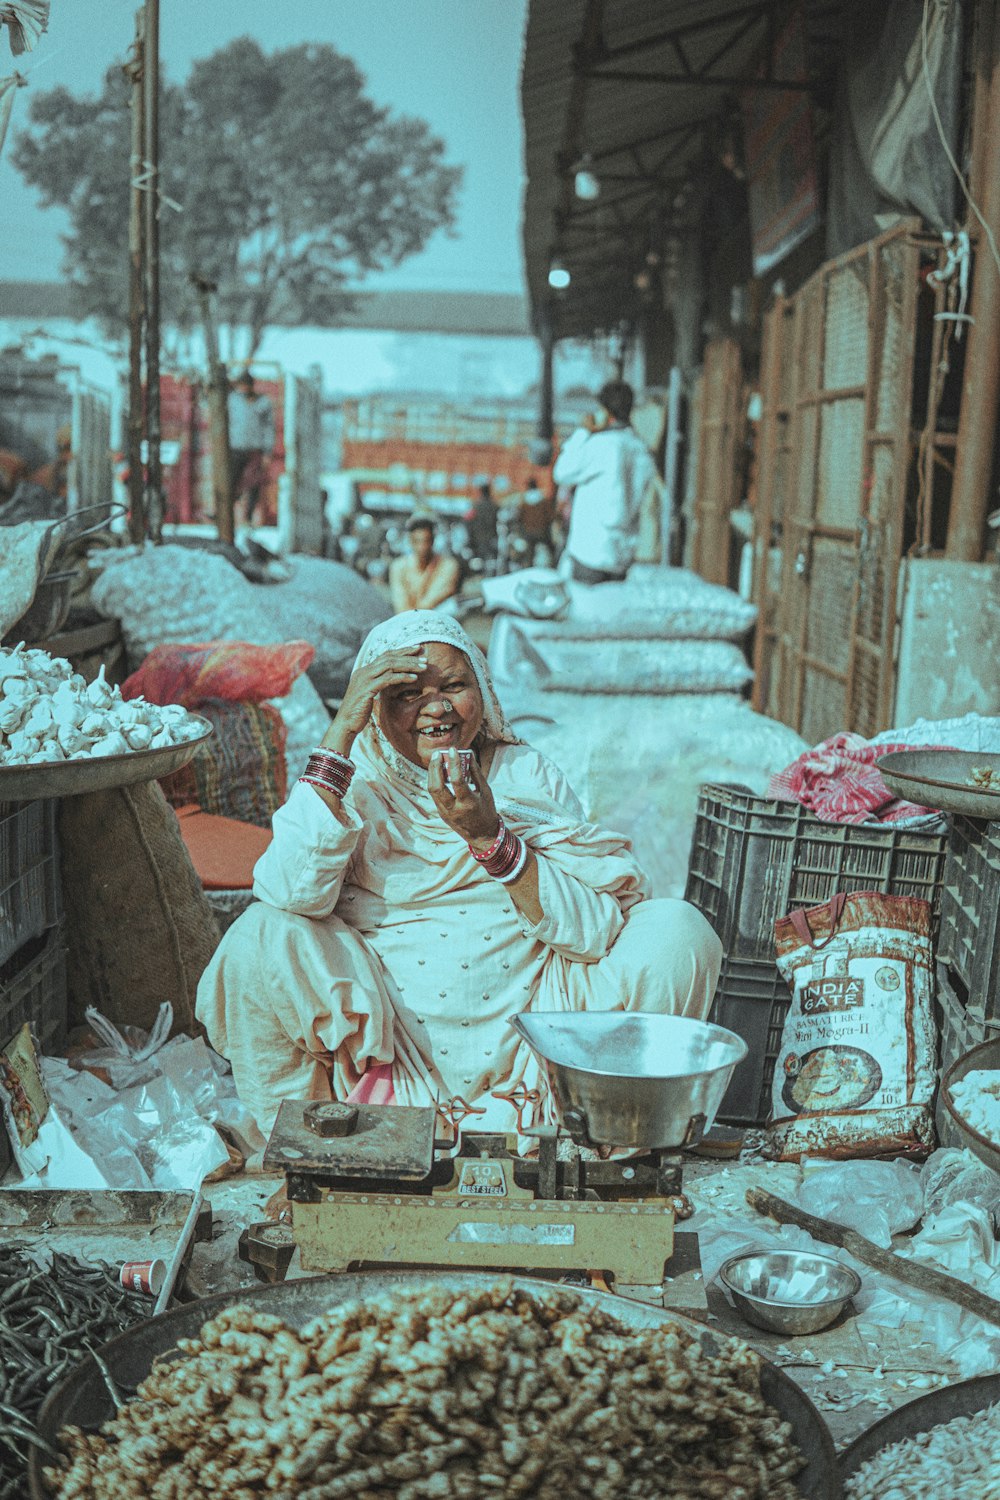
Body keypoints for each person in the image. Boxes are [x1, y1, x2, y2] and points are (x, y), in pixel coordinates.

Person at [196, 611, 724, 1143]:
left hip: (542, 1051)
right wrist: (340, 731)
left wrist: (490, 838)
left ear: (484, 691)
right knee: (258, 938)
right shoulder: (357, 786)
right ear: (373, 710)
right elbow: (288, 892)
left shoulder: (525, 774)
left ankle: (613, 1144)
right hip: (392, 1060)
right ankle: (309, 1151)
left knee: (678, 932)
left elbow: (593, 932)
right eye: (406, 694)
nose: (437, 708)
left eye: (454, 686)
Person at [552, 380, 657, 584]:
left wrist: (583, 431)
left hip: (590, 553)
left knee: (584, 612)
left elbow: (562, 472)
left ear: (606, 412)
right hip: (622, 555)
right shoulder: (642, 450)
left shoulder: (601, 446)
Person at [227, 370, 276, 526]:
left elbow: (269, 428)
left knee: (253, 484)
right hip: (236, 448)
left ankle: (247, 518)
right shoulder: (232, 400)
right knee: (232, 483)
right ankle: (226, 514)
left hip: (255, 450)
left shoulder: (262, 403)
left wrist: (268, 451)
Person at [388, 514, 460, 613]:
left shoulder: (448, 565)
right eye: (417, 542)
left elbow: (431, 601)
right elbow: (400, 604)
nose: (422, 547)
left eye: (426, 541)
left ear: (433, 541)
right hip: (406, 621)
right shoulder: (398, 566)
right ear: (410, 541)